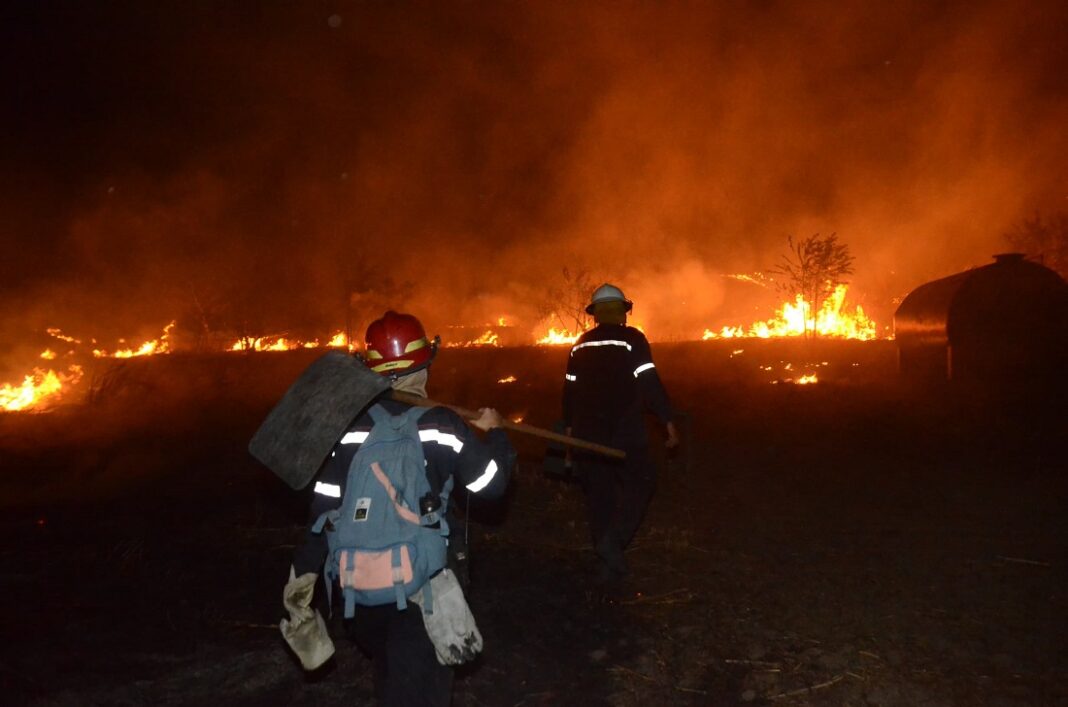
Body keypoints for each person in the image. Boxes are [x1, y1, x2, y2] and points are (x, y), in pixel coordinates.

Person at [288, 310, 515, 706]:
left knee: (393, 678)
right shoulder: (442, 424)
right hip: (421, 595)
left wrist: (303, 575)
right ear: (425, 363)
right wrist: (496, 435)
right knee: (420, 690)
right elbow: (489, 484)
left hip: (359, 598)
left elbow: (323, 508)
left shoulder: (347, 430)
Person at [562, 284, 678, 596]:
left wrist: (570, 438)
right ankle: (613, 545)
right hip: (624, 433)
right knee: (642, 482)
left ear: (596, 315)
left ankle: (606, 560)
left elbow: (569, 396)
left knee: (599, 496)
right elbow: (649, 382)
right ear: (622, 311)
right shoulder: (633, 339)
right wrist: (667, 420)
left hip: (588, 435)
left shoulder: (580, 345)